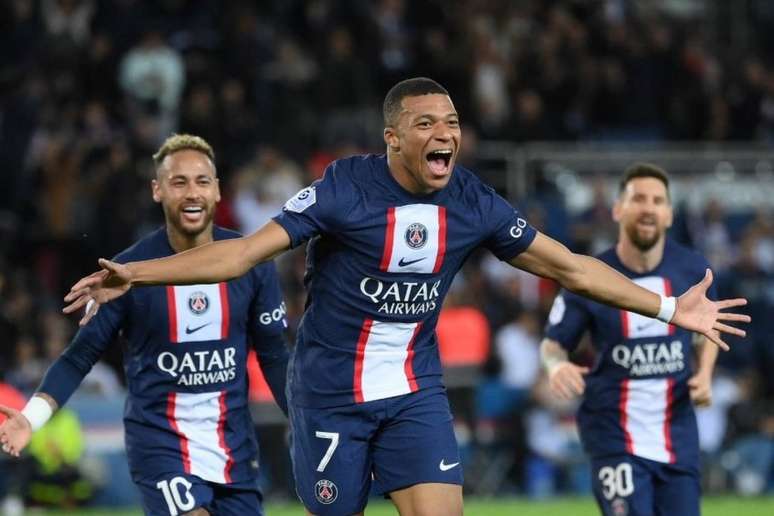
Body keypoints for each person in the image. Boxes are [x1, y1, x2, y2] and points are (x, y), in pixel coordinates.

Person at [56, 79, 748, 516]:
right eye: (424, 124)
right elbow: (238, 253)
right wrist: (134, 273)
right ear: (392, 139)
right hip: (329, 395)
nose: (443, 133)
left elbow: (569, 267)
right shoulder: (342, 189)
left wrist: (667, 309)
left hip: (414, 390)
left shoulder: (472, 199)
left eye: (450, 122)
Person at [0, 134, 290, 516]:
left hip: (233, 448)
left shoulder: (250, 263)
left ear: (218, 190)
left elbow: (273, 354)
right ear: (157, 190)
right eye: (178, 182)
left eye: (202, 181)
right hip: (161, 445)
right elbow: (79, 356)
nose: (192, 193)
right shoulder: (127, 273)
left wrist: (305, 421)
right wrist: (32, 417)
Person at [540, 163, 724, 515]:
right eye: (638, 198)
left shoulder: (694, 271)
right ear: (618, 209)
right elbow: (553, 342)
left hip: (677, 432)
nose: (648, 207)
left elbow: (708, 331)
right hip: (613, 433)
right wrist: (555, 366)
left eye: (657, 200)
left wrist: (704, 374)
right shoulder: (591, 276)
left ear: (669, 214)